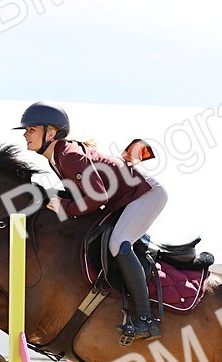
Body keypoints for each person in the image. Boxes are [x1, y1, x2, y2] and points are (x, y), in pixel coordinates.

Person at [14, 101, 166, 342]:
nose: (25, 134)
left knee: (118, 243)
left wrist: (65, 207)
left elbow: (97, 196)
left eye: (31, 129)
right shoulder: (57, 157)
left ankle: (145, 319)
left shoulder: (68, 155)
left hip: (146, 194)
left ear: (51, 133)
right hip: (129, 196)